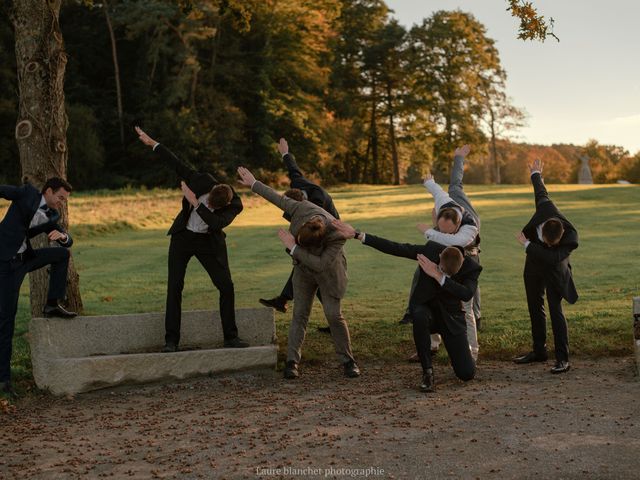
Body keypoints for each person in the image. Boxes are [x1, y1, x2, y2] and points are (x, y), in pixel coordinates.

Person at [237, 166, 360, 379]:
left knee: (334, 315)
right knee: (299, 314)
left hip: (329, 273)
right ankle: (292, 362)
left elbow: (321, 264)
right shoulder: (300, 208)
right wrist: (254, 183)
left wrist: (294, 248)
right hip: (303, 272)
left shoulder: (337, 235)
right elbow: (275, 197)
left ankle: (348, 360)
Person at [332, 219, 481, 393]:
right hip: (426, 310)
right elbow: (397, 248)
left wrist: (438, 276)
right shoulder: (431, 251)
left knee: (466, 374)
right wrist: (358, 235)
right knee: (419, 315)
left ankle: (463, 356)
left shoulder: (471, 267)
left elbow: (466, 294)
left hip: (451, 317)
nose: (440, 270)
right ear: (439, 256)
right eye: (440, 268)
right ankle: (427, 372)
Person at [135, 127, 248, 352]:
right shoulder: (202, 180)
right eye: (207, 203)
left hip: (209, 243)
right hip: (183, 238)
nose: (207, 207)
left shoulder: (235, 205)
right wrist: (152, 143)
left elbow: (216, 224)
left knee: (226, 286)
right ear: (211, 189)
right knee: (175, 286)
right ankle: (171, 341)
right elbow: (176, 162)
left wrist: (196, 203)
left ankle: (231, 337)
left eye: (211, 207)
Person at [402, 145, 482, 361]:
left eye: (445, 228)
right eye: (439, 225)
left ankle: (471, 351)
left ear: (456, 223)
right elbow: (435, 190)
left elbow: (453, 240)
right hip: (441, 251)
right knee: (424, 286)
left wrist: (429, 233)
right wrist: (428, 182)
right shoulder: (443, 205)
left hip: (466, 255)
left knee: (466, 301)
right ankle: (430, 343)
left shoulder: (469, 226)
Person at [0, 177, 77, 398]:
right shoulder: (26, 193)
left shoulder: (53, 215)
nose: (62, 202)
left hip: (25, 259)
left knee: (62, 253)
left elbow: (68, 240)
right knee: (6, 319)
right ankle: (4, 380)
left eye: (65, 199)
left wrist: (63, 236)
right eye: (60, 197)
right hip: (5, 264)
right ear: (49, 191)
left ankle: (52, 303)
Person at [258, 138, 339, 319]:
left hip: (327, 231)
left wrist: (294, 247)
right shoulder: (299, 185)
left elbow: (316, 228)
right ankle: (284, 299)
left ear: (301, 204)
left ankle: (334, 317)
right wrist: (285, 153)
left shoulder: (317, 202)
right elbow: (293, 169)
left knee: (314, 269)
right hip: (310, 228)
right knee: (305, 266)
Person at [514, 159, 578, 374]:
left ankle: (563, 359)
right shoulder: (545, 210)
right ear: (542, 231)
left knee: (555, 310)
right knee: (534, 306)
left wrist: (527, 244)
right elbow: (541, 193)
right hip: (533, 267)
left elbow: (552, 259)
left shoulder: (571, 237)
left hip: (554, 272)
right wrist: (535, 174)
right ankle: (539, 351)